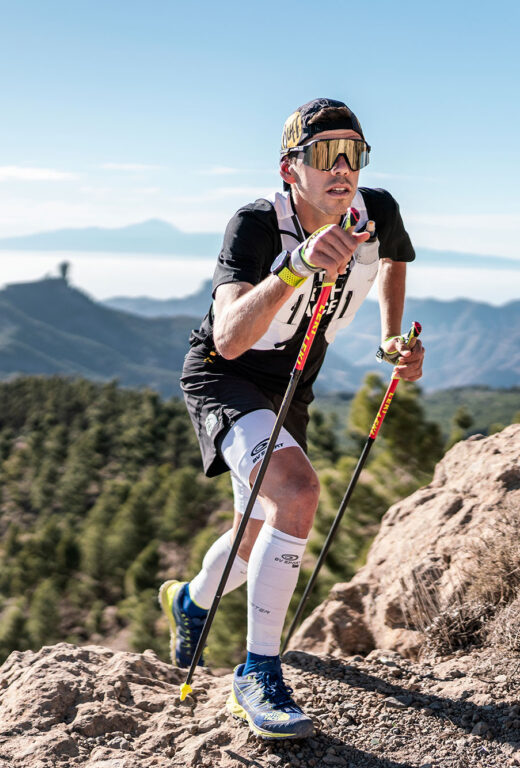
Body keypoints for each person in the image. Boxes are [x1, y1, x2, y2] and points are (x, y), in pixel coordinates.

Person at [159, 98, 425, 740]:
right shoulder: (255, 225)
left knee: (255, 534)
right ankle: (257, 675)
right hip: (227, 376)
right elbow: (227, 337)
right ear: (290, 169)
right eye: (324, 154)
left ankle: (191, 601)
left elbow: (394, 259)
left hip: (291, 385)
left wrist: (391, 339)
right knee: (299, 493)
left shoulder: (375, 211)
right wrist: (299, 265)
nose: (343, 168)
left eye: (354, 153)